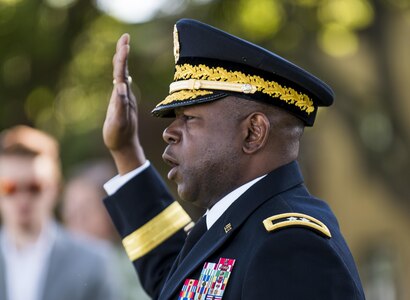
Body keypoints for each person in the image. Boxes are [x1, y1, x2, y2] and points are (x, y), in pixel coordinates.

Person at [102, 19, 365, 299]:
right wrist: (126, 151)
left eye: (189, 118)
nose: (169, 132)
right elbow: (174, 280)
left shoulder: (289, 245)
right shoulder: (244, 228)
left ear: (253, 132)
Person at [0, 125, 116, 300]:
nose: (22, 199)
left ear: (55, 188)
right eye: (10, 188)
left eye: (34, 187)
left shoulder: (93, 261)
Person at [62, 160, 150, 300]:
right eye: (70, 213)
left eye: (86, 211)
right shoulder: (59, 268)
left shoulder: (133, 269)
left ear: (111, 212)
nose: (77, 221)